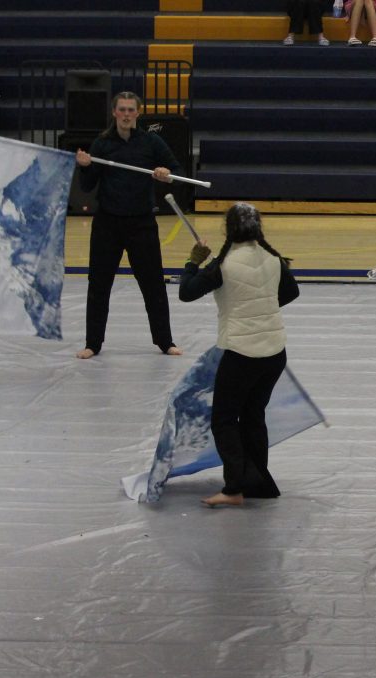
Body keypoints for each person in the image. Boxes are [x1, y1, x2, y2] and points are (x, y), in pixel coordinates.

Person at [178, 203, 300, 507]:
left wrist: (193, 262)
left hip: (242, 354)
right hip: (275, 353)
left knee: (223, 419)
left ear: (228, 229)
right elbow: (291, 292)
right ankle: (258, 484)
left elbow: (186, 292)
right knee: (253, 416)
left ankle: (234, 489)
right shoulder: (273, 259)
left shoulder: (222, 266)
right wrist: (261, 308)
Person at [74, 92, 182, 360]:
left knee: (153, 285)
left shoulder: (151, 142)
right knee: (98, 285)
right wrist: (85, 167)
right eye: (121, 109)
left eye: (130, 110)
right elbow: (87, 186)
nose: (125, 114)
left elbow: (176, 171)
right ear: (114, 112)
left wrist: (166, 174)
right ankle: (93, 343)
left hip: (141, 223)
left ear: (138, 113)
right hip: (107, 223)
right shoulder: (102, 144)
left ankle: (165, 341)